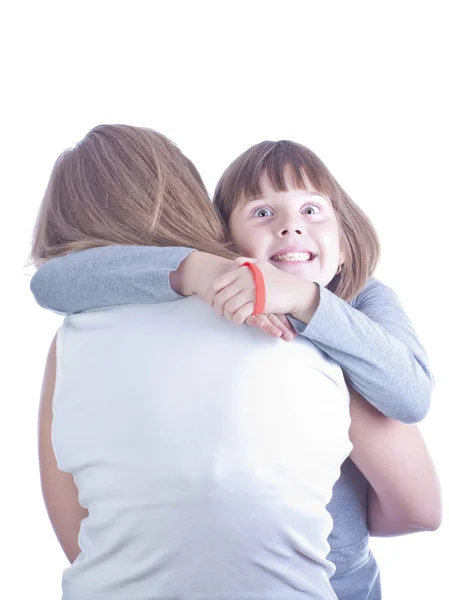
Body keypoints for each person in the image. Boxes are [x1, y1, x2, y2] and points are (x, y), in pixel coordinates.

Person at [31, 130, 441, 600]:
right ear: (224, 235)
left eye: (312, 210)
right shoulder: (254, 311)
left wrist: (308, 302)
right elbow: (418, 508)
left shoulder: (349, 308)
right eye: (263, 213)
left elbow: (412, 396)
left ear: (347, 242)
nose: (291, 227)